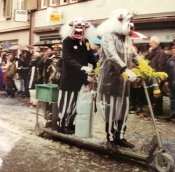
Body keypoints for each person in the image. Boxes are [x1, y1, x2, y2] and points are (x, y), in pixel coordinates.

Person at [97, 9, 138, 151]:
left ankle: (120, 136)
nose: (131, 24)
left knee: (123, 110)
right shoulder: (108, 36)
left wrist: (145, 68)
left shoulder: (126, 39)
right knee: (111, 111)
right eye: (129, 21)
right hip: (110, 80)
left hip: (124, 82)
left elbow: (133, 55)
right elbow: (112, 55)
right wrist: (125, 69)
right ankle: (110, 138)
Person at [58, 17, 98, 134]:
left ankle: (71, 124)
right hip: (69, 78)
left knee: (77, 103)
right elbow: (67, 58)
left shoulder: (86, 42)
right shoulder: (67, 41)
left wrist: (98, 64)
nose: (79, 31)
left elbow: (91, 56)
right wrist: (81, 67)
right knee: (66, 102)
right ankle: (61, 124)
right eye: (77, 28)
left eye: (82, 29)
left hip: (81, 79)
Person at [146, 36, 166, 116]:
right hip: (150, 76)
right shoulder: (153, 52)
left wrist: (158, 77)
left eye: (151, 42)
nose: (149, 43)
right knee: (151, 94)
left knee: (157, 94)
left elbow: (161, 65)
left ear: (156, 43)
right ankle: (152, 109)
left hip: (156, 77)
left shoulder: (161, 53)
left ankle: (158, 110)